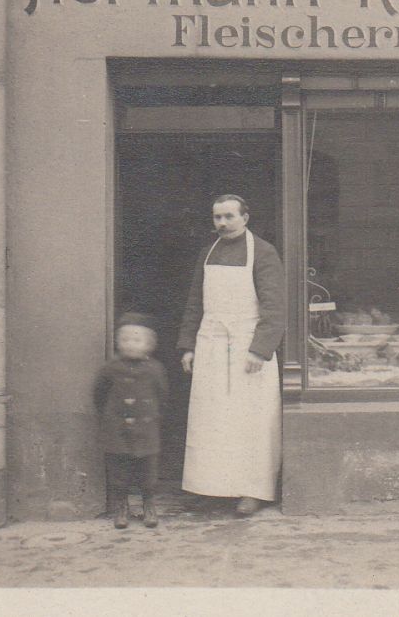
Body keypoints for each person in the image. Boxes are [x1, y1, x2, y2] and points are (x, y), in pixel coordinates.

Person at [176, 194, 285, 516]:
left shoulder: (263, 253)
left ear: (245, 218)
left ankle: (254, 491)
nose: (222, 223)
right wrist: (188, 346)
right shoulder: (206, 253)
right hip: (211, 344)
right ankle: (208, 487)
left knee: (250, 421)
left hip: (248, 349)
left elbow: (274, 307)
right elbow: (195, 302)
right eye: (217, 217)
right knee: (212, 419)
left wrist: (260, 350)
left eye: (228, 217)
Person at [93, 312, 170, 529]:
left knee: (148, 473)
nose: (131, 345)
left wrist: (154, 418)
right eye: (125, 339)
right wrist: (109, 417)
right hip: (117, 430)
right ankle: (122, 507)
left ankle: (148, 504)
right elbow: (99, 394)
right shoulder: (111, 368)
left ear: (149, 343)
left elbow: (163, 397)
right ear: (118, 342)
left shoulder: (155, 369)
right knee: (119, 473)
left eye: (137, 340)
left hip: (146, 431)